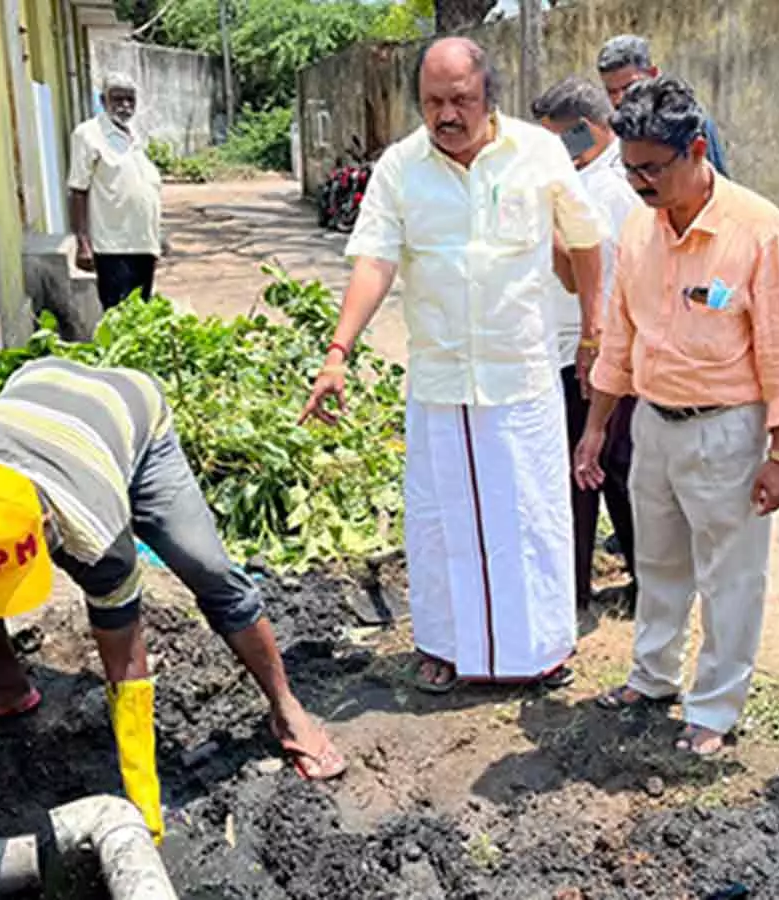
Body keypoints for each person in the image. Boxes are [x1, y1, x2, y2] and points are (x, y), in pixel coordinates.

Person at [0, 357, 347, 842]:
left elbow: (125, 667)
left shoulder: (98, 536)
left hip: (131, 419)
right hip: (35, 390)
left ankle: (286, 707)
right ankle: (8, 685)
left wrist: (144, 802)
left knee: (207, 569)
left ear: (47, 526)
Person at [299, 37, 607, 693]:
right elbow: (375, 260)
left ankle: (543, 652)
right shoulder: (400, 168)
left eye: (460, 100)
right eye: (433, 101)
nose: (446, 114)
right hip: (440, 378)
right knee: (443, 522)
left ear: (487, 96)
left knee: (530, 514)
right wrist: (337, 353)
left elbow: (584, 241)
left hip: (519, 373)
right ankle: (443, 647)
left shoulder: (538, 153)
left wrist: (594, 330)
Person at [578, 76, 779, 756]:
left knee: (729, 577)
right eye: (629, 169)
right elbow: (617, 338)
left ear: (697, 149)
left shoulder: (758, 231)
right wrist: (597, 428)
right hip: (653, 423)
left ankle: (714, 707)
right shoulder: (637, 230)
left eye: (652, 168)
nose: (639, 183)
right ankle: (652, 676)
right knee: (656, 563)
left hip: (728, 432)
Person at [532, 76, 645, 611]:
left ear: (587, 130)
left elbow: (600, 276)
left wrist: (594, 341)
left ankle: (603, 587)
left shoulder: (612, 188)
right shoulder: (583, 180)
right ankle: (579, 585)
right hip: (573, 347)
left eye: (561, 139)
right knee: (593, 471)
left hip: (596, 350)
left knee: (597, 470)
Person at [69, 71, 164, 310]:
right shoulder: (88, 134)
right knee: (118, 313)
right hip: (113, 245)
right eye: (118, 99)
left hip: (144, 242)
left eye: (130, 99)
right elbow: (78, 190)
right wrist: (83, 243)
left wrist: (158, 235)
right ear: (103, 101)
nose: (125, 105)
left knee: (142, 312)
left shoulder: (135, 134)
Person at [596, 36, 729, 177]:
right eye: (611, 91)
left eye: (628, 87)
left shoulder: (688, 121)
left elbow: (716, 183)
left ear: (653, 74)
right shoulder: (610, 127)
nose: (619, 99)